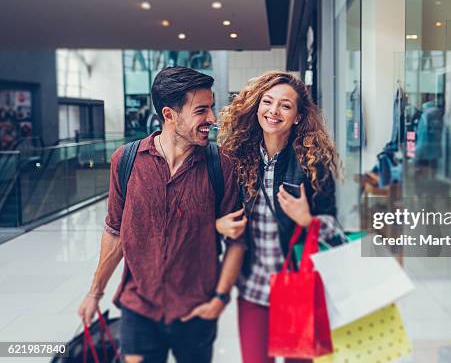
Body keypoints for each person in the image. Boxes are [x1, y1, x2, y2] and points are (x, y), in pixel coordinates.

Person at [78, 67, 246, 363]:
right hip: (138, 307)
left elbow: (237, 241)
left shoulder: (221, 165)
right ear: (169, 115)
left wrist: (219, 299)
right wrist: (95, 293)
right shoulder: (126, 161)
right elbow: (115, 232)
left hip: (196, 308)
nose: (212, 119)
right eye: (201, 110)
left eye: (211, 108)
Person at [217, 71, 343, 363]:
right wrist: (218, 225)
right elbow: (215, 211)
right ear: (257, 106)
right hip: (253, 288)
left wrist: (307, 220)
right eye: (268, 102)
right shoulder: (235, 158)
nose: (273, 111)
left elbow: (335, 232)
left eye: (285, 106)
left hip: (297, 287)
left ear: (298, 116)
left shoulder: (313, 163)